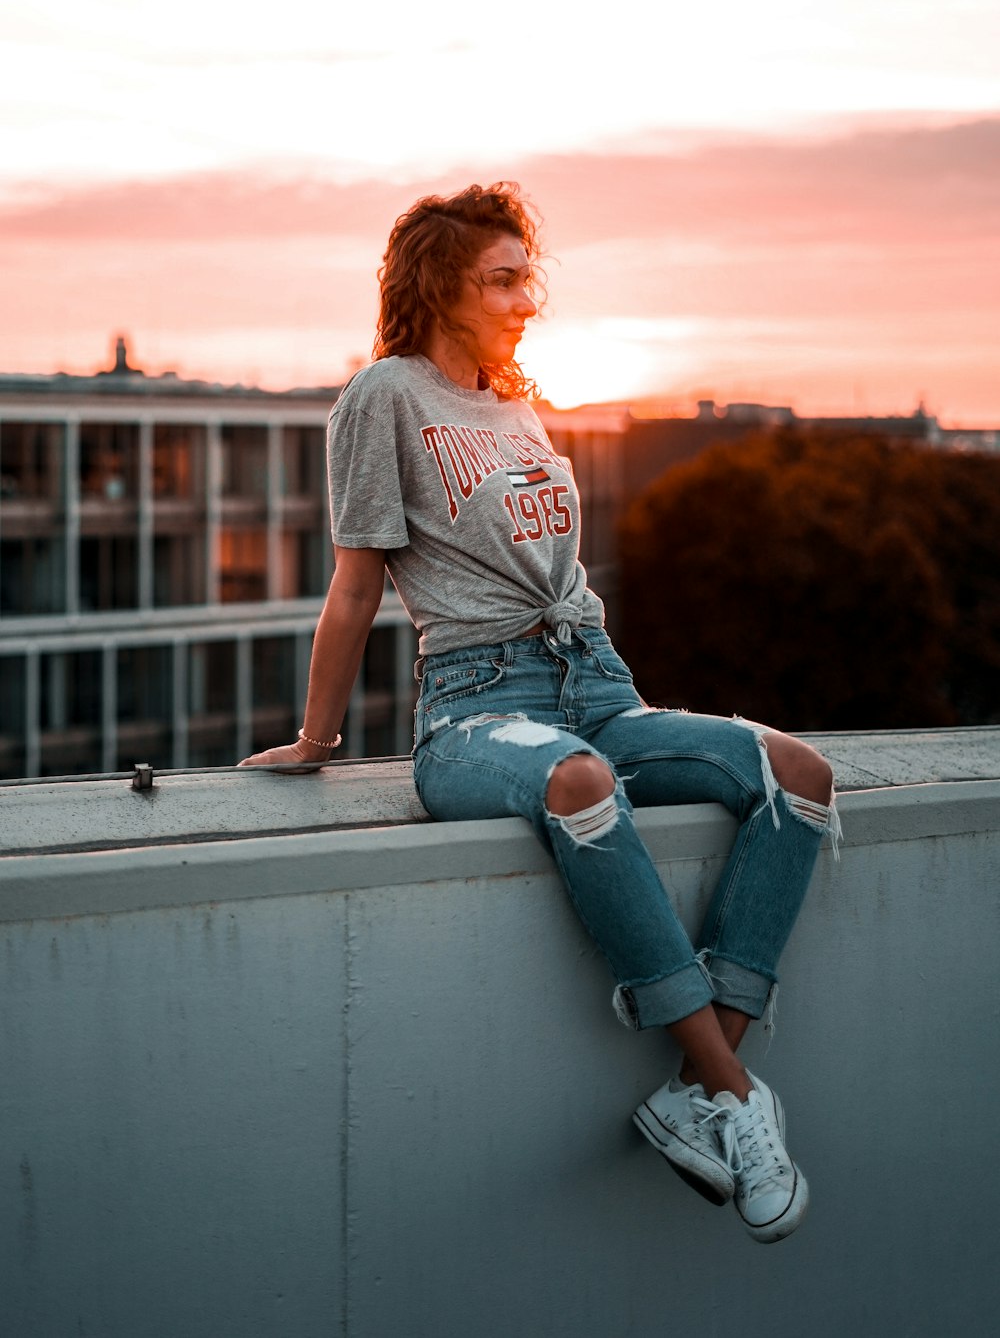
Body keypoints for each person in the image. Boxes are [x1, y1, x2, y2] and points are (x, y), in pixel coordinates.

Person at [240, 182, 840, 1244]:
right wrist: (318, 736)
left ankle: (696, 1093)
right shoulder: (384, 397)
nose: (529, 299)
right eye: (503, 279)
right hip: (476, 708)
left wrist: (603, 691)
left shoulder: (516, 402)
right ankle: (734, 1096)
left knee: (796, 776)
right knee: (579, 787)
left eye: (531, 277)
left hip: (596, 681)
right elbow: (357, 582)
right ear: (438, 285)